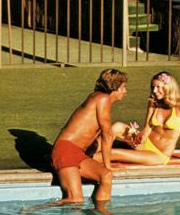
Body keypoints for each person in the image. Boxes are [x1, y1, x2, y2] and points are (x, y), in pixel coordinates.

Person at [90, 71, 180, 166]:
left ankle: (83, 161)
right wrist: (136, 136)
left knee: (113, 153)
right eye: (153, 87)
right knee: (117, 127)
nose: (154, 91)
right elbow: (147, 129)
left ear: (168, 87)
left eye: (158, 87)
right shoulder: (153, 102)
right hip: (145, 143)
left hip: (158, 155)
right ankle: (89, 153)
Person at [51, 69, 128, 206]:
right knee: (75, 199)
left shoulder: (97, 98)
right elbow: (106, 134)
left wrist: (107, 168)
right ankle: (34, 210)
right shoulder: (103, 99)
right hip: (66, 150)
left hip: (77, 153)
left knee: (106, 176)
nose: (125, 91)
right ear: (114, 87)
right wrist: (108, 164)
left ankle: (101, 213)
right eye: (123, 87)